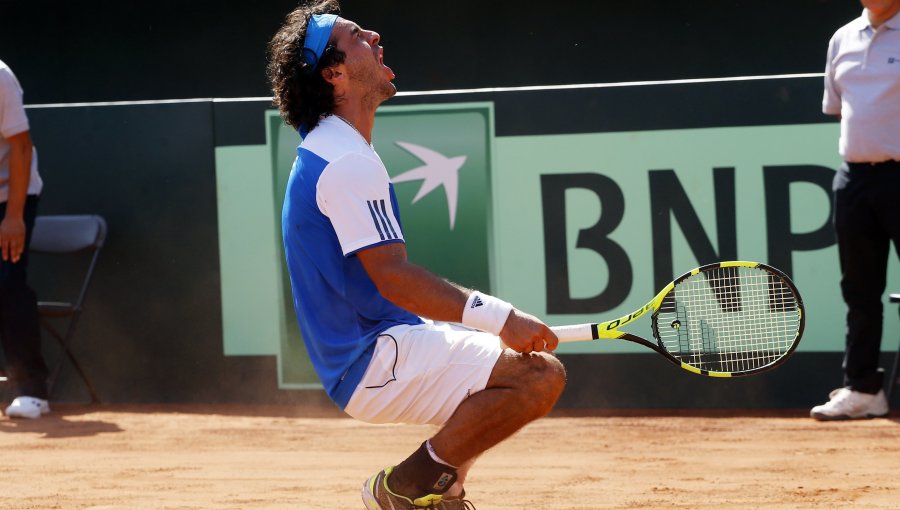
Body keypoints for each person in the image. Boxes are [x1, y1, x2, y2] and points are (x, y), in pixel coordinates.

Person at [267, 1, 566, 508]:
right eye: (357, 36)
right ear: (334, 73)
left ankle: (440, 494)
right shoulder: (342, 162)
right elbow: (393, 278)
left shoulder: (333, 150)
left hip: (376, 350)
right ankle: (401, 489)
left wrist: (491, 326)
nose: (375, 36)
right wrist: (501, 317)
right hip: (374, 358)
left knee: (503, 369)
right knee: (538, 376)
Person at [810, 0, 900, 421]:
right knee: (860, 290)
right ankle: (864, 389)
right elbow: (839, 106)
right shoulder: (842, 38)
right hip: (855, 179)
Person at [0, 59, 49, 420]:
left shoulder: (0, 78)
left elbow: (21, 146)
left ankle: (31, 390)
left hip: (11, 197)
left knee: (8, 284)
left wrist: (14, 216)